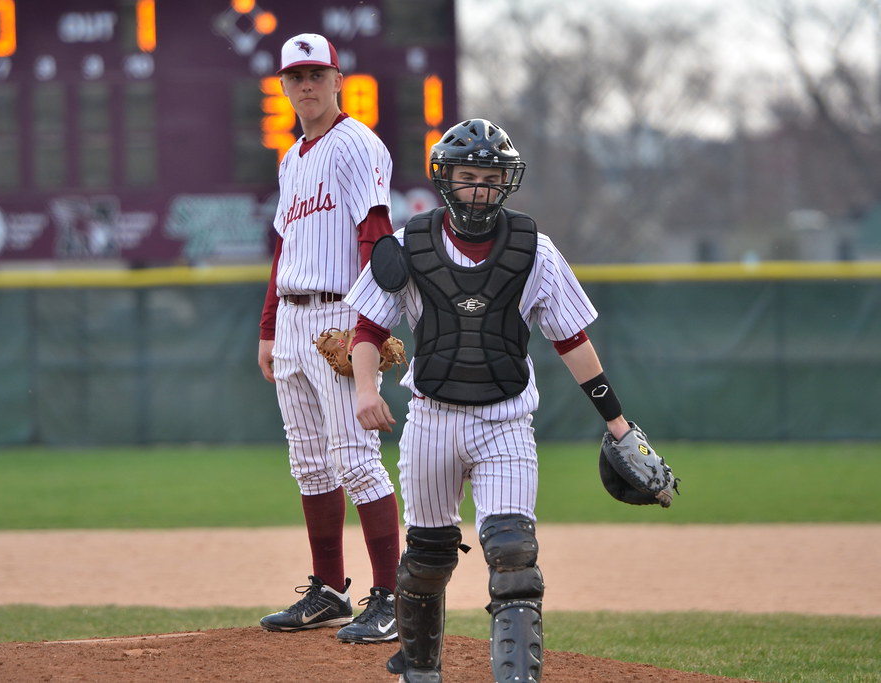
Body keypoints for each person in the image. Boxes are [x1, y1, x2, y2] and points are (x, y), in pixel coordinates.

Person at [345, 119, 643, 682]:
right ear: (446, 178)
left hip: (505, 421)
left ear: (507, 182)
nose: (479, 188)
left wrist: (618, 423)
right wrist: (365, 389)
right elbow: (367, 330)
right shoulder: (409, 244)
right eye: (468, 176)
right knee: (427, 556)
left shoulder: (536, 250)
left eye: (490, 177)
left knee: (514, 555)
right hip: (431, 418)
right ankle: (420, 672)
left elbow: (572, 340)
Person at [256, 32, 401, 644]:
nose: (307, 85)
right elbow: (285, 248)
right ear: (284, 87)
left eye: (317, 74)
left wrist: (369, 326)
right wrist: (269, 328)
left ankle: (391, 598)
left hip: (339, 315)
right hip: (293, 320)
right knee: (311, 464)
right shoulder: (291, 158)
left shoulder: (357, 144)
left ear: (339, 81)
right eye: (296, 77)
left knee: (357, 460)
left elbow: (376, 234)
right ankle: (329, 590)